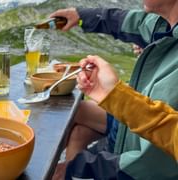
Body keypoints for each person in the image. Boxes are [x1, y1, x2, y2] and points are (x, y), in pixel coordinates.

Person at [50, 1, 178, 180]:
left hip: (138, 159)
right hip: (131, 128)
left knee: (61, 168)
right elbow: (128, 21)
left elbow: (153, 163)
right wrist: (79, 16)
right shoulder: (165, 25)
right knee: (75, 115)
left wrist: (75, 170)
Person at [76, 55, 178, 161]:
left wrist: (115, 95)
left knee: (72, 165)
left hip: (136, 158)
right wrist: (115, 95)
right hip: (132, 133)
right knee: (78, 127)